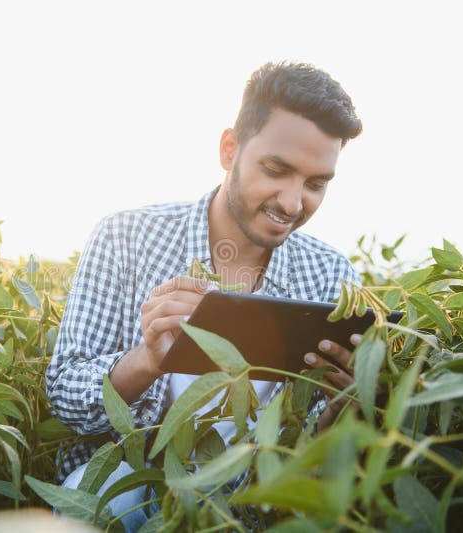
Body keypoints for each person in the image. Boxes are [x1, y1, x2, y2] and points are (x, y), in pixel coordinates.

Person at [45, 61, 363, 529]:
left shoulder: (330, 271)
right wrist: (148, 359)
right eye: (276, 170)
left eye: (316, 184)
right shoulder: (126, 236)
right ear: (230, 149)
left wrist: (342, 410)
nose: (293, 204)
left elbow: (307, 442)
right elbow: (66, 396)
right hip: (128, 485)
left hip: (253, 502)